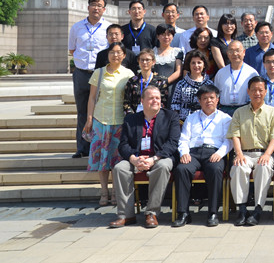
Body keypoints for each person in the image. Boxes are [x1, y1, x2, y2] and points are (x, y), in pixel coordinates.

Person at [110, 85, 180, 228]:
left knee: (163, 166)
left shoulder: (170, 117)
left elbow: (173, 143)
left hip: (160, 157)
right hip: (136, 158)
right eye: (151, 98)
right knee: (119, 168)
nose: (155, 101)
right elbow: (123, 144)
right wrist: (134, 159)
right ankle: (126, 215)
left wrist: (154, 159)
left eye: (157, 98)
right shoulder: (131, 119)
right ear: (142, 101)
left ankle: (151, 213)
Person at [228, 76, 274, 226]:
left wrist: (267, 154)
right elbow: (235, 135)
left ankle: (258, 210)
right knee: (239, 167)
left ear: (265, 91)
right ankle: (242, 210)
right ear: (248, 91)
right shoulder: (239, 112)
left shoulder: (273, 112)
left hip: (265, 153)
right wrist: (239, 154)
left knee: (263, 167)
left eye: (260, 90)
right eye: (253, 90)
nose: (257, 93)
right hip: (245, 153)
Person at [173, 84, 231, 227]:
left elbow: (229, 141)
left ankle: (213, 212)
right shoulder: (191, 118)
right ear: (199, 101)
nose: (209, 101)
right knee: (181, 169)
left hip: (214, 152)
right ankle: (183, 213)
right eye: (205, 98)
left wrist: (219, 153)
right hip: (193, 153)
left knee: (215, 169)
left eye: (212, 97)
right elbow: (184, 139)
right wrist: (184, 153)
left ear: (217, 100)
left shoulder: (225, 118)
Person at [84, 42, 134, 206]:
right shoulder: (99, 73)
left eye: (119, 52)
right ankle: (104, 191)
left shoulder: (128, 74)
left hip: (120, 121)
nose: (115, 55)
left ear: (124, 55)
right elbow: (92, 98)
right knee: (102, 160)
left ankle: (115, 192)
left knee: (117, 159)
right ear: (107, 54)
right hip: (101, 120)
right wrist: (89, 118)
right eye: (112, 52)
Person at [68, 0, 110, 158]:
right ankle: (82, 148)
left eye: (99, 6)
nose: (96, 8)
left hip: (100, 74)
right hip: (81, 73)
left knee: (101, 112)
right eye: (93, 5)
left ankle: (99, 147)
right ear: (88, 7)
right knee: (82, 112)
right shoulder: (77, 27)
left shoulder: (108, 28)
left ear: (104, 9)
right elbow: (72, 50)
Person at [213, 41, 259, 115]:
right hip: (224, 111)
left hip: (245, 110)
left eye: (237, 50)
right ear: (227, 54)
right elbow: (215, 94)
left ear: (244, 52)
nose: (235, 54)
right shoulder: (221, 73)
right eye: (231, 51)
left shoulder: (252, 73)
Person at [170, 50, 215, 122]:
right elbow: (175, 105)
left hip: (204, 120)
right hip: (184, 121)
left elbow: (213, 105)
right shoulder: (181, 84)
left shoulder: (209, 84)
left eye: (199, 62)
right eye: (193, 63)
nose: (196, 66)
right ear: (189, 65)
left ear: (204, 65)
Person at [122, 49, 170, 115]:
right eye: (142, 60)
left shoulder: (161, 81)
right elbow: (126, 103)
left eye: (147, 60)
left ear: (153, 62)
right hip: (135, 117)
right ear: (138, 61)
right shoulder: (132, 81)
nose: (144, 62)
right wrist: (134, 117)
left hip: (155, 117)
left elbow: (163, 103)